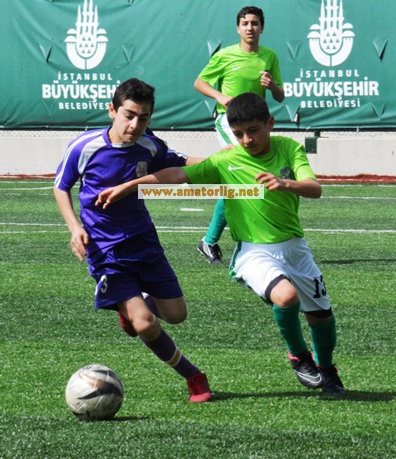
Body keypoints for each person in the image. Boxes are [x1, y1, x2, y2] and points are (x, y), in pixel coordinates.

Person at [97, 93, 344, 394]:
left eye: (253, 131)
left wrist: (285, 183)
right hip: (254, 252)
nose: (247, 140)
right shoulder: (227, 159)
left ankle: (327, 369)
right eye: (238, 134)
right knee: (286, 297)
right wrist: (131, 185)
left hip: (296, 249)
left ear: (270, 123)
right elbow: (178, 174)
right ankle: (299, 356)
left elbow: (314, 188)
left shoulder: (289, 148)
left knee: (321, 317)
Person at [53, 78, 212, 403]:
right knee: (145, 323)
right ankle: (193, 375)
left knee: (177, 315)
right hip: (105, 250)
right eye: (129, 115)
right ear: (112, 111)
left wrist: (230, 162)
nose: (134, 125)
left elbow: (182, 164)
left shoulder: (150, 145)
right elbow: (61, 186)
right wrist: (74, 228)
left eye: (143, 118)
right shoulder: (84, 146)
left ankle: (132, 309)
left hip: (144, 242)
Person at [194, 5, 285, 264]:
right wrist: (221, 97)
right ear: (237, 28)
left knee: (242, 181)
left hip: (255, 125)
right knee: (239, 178)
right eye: (245, 23)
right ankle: (214, 240)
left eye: (254, 23)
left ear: (262, 28)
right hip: (229, 122)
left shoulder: (269, 56)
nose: (250, 27)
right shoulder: (225, 55)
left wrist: (272, 86)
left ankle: (213, 240)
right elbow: (199, 82)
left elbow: (280, 96)